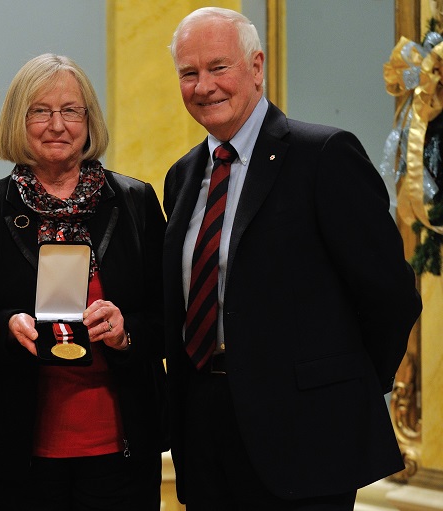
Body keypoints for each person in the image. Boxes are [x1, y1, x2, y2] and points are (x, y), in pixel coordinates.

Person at [162, 8, 423, 511]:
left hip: (307, 437)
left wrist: (344, 387)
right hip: (205, 434)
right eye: (188, 73)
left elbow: (389, 295)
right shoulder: (184, 176)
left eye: (219, 67)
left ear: (256, 68)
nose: (203, 86)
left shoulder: (323, 155)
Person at [0, 53, 167, 511]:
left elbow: (172, 317)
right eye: (40, 111)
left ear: (89, 120)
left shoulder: (135, 203)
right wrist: (5, 326)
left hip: (120, 450)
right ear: (17, 121)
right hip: (16, 451)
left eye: (71, 110)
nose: (57, 124)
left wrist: (128, 333)